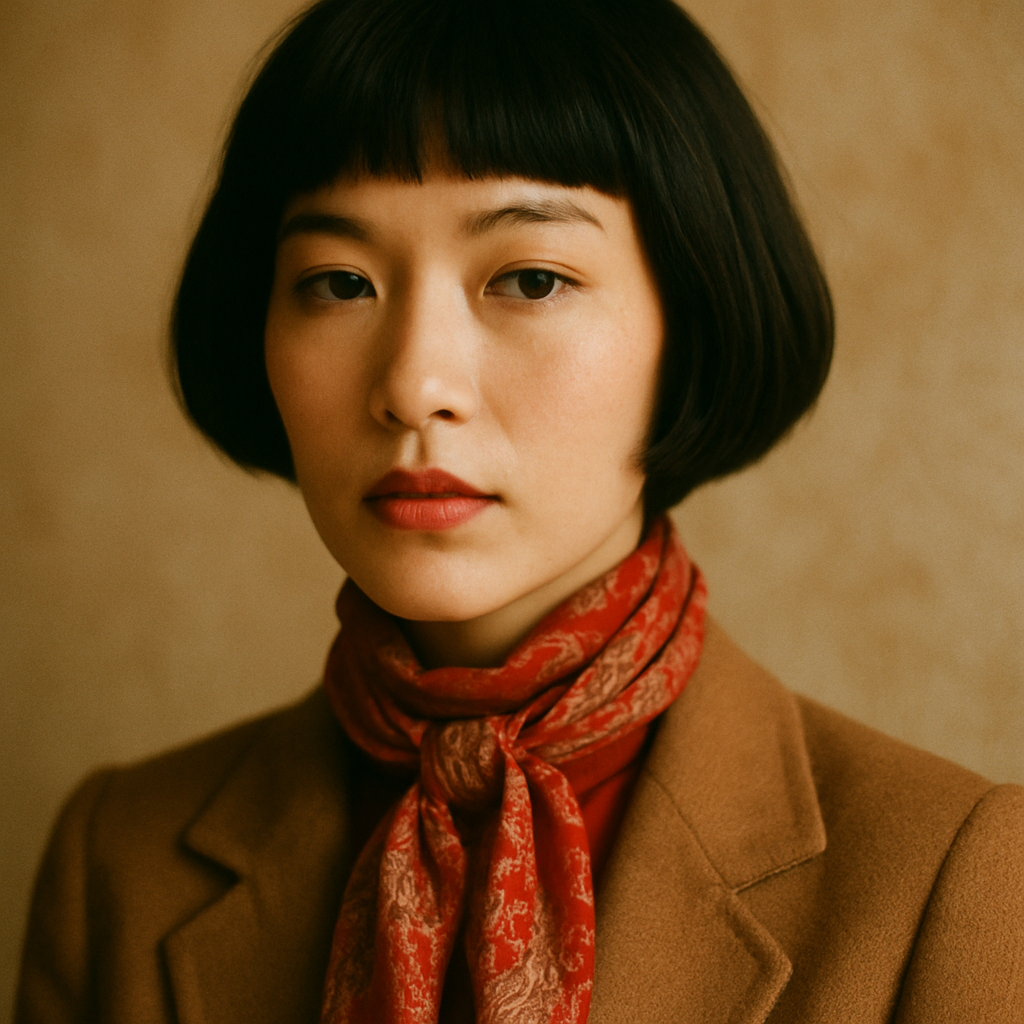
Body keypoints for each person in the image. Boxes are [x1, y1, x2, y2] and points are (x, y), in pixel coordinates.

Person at [15, 0, 1024, 1021]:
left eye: (530, 277)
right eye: (337, 282)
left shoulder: (952, 873)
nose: (414, 383)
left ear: (693, 322)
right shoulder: (120, 860)